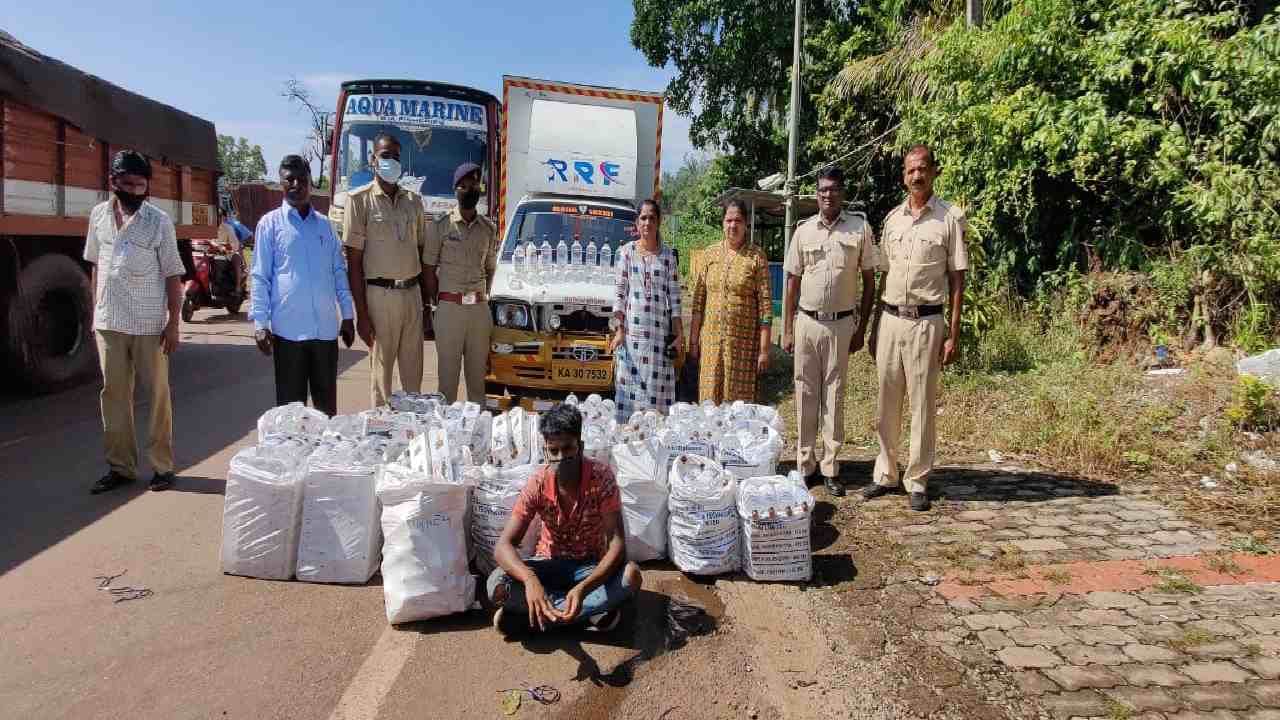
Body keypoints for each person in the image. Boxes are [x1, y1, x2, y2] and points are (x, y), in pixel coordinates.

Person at [863, 145, 969, 512]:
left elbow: (957, 280)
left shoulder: (948, 220)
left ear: (934, 172)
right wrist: (876, 325)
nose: (916, 176)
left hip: (927, 321)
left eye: (922, 169)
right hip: (891, 319)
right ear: (903, 176)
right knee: (886, 403)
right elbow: (882, 277)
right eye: (910, 171)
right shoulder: (892, 220)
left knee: (922, 404)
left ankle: (917, 479)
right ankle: (885, 473)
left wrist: (953, 333)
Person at [487, 403, 642, 636]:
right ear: (545, 451)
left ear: (580, 446)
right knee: (496, 586)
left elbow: (617, 544)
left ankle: (539, 617)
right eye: (554, 451)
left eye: (568, 448)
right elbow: (503, 546)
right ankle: (584, 616)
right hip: (548, 565)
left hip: (589, 569)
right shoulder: (537, 484)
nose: (561, 457)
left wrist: (583, 589)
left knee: (631, 577)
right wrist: (530, 581)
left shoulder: (602, 478)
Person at [84, 150, 186, 494]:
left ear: (147, 187)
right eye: (126, 183)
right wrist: (93, 313)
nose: (132, 190)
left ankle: (162, 466)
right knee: (113, 394)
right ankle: (121, 467)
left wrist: (173, 324)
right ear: (113, 182)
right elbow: (96, 265)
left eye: (139, 185)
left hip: (149, 324)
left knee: (157, 394)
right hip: (109, 321)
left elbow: (173, 274)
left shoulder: (158, 221)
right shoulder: (98, 215)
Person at [781, 167, 877, 497]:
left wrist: (861, 326)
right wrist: (787, 328)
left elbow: (869, 282)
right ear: (816, 193)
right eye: (822, 189)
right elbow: (791, 280)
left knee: (835, 395)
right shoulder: (803, 231)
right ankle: (805, 465)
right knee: (806, 393)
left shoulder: (859, 229)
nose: (827, 195)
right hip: (806, 322)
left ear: (842, 192)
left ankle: (831, 467)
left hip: (841, 324)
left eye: (834, 189)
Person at [250, 155, 356, 417]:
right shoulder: (270, 224)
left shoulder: (325, 226)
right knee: (290, 415)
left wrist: (348, 316)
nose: (296, 184)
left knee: (326, 412)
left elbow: (338, 272)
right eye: (290, 180)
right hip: (289, 335)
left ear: (310, 181)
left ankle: (324, 459)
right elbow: (260, 276)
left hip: (325, 334)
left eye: (302, 179)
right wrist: (260, 323)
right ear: (281, 184)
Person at [343, 133, 429, 407]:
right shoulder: (359, 201)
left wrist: (426, 306)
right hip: (379, 297)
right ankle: (381, 439)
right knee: (382, 380)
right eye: (385, 155)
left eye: (396, 156)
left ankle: (413, 436)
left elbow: (421, 253)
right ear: (373, 160)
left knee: (413, 377)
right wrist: (362, 315)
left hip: (412, 295)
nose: (391, 161)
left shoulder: (414, 202)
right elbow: (353, 263)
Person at [423, 162, 497, 404]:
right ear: (455, 190)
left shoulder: (488, 229)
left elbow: (490, 269)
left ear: (480, 188)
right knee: (447, 381)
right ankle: (446, 434)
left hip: (478, 310)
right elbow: (428, 268)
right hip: (449, 309)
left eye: (474, 185)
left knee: (477, 381)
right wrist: (438, 303)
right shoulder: (440, 226)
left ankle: (478, 434)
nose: (469, 190)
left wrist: (482, 299)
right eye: (463, 186)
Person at [689, 199, 772, 404]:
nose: (732, 226)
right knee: (709, 402)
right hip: (711, 345)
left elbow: (766, 308)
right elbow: (698, 302)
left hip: (743, 347)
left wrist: (764, 350)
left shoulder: (756, 257)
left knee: (737, 406)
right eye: (728, 220)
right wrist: (693, 341)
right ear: (722, 223)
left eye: (738, 220)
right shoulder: (709, 254)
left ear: (746, 224)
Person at [610, 199, 683, 423]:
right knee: (629, 398)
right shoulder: (626, 253)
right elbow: (620, 295)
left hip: (660, 341)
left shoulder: (669, 256)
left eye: (652, 217)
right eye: (643, 217)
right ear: (636, 222)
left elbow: (675, 301)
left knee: (657, 402)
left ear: (659, 221)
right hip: (632, 340)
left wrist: (679, 336)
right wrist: (619, 330)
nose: (647, 222)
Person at [214, 206, 246, 295]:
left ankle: (237, 287)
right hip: (206, 254)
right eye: (215, 215)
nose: (217, 218)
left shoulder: (228, 228)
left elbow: (235, 244)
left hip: (225, 255)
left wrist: (225, 247)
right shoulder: (206, 228)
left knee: (237, 258)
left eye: (219, 216)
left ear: (224, 217)